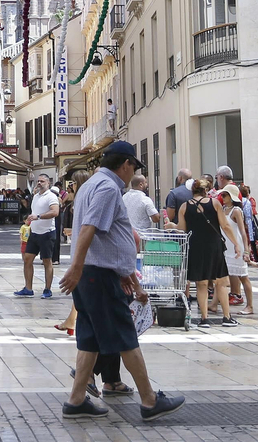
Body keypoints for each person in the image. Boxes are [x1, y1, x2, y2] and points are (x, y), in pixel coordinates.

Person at [58, 141, 184, 422]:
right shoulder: (106, 188)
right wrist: (77, 268)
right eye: (133, 168)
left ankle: (77, 400)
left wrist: (125, 273)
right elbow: (90, 228)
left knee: (89, 340)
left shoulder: (92, 184)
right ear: (126, 164)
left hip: (95, 274)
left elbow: (110, 237)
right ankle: (150, 401)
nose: (132, 174)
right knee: (126, 337)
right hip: (97, 275)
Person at [181, 176, 238, 327]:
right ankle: (227, 317)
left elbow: (181, 228)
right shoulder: (214, 203)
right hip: (214, 246)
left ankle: (204, 319)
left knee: (201, 283)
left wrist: (171, 226)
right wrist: (236, 243)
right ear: (206, 190)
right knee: (221, 282)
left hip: (196, 247)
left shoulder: (184, 206)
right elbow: (225, 225)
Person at [17, 173, 61, 298]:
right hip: (34, 233)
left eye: (42, 181)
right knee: (27, 259)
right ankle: (28, 288)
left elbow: (55, 212)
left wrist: (39, 216)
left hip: (47, 233)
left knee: (47, 261)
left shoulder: (51, 197)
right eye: (38, 181)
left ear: (48, 183)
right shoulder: (36, 196)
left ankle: (47, 289)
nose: (39, 183)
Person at [221, 184, 255, 318]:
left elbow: (242, 231)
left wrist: (246, 250)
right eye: (222, 195)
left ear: (232, 197)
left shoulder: (236, 211)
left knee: (243, 276)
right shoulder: (223, 209)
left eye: (225, 195)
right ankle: (215, 304)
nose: (223, 197)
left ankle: (250, 305)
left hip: (237, 247)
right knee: (222, 277)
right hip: (226, 247)